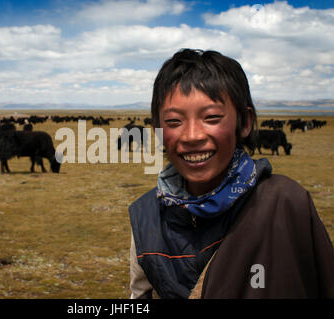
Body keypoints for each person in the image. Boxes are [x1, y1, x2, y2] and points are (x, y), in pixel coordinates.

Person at [129, 48, 334, 298]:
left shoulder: (286, 202)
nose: (192, 136)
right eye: (174, 121)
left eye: (211, 117)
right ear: (158, 129)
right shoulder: (146, 216)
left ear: (245, 122)